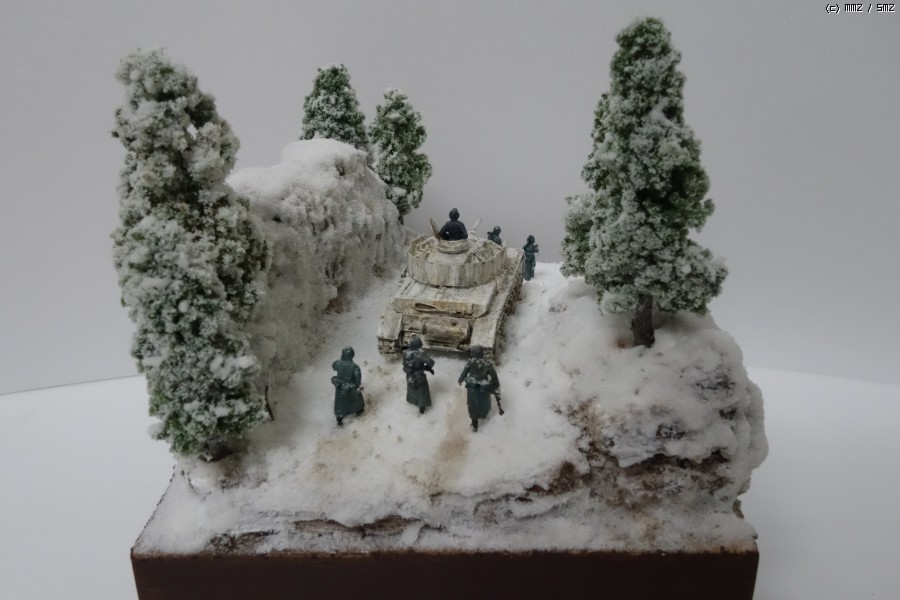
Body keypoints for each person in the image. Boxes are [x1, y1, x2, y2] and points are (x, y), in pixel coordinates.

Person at [457, 345, 503, 432]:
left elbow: (464, 372)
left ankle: (474, 423)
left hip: (472, 388)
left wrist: (460, 380)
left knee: (472, 405)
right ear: (482, 353)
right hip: (484, 387)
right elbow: (494, 375)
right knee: (484, 403)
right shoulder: (487, 363)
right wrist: (495, 384)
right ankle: (483, 415)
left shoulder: (470, 362)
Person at [331, 346, 364, 427]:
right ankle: (359, 410)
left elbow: (333, 366)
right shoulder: (355, 367)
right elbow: (357, 382)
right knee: (356, 400)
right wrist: (351, 386)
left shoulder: (338, 364)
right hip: (350, 389)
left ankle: (339, 417)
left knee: (340, 403)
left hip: (340, 388)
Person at [403, 335, 435, 414]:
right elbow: (431, 362)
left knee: (412, 388)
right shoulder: (420, 353)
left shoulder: (406, 353)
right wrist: (427, 367)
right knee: (422, 391)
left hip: (409, 375)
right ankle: (422, 407)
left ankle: (413, 401)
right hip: (419, 375)